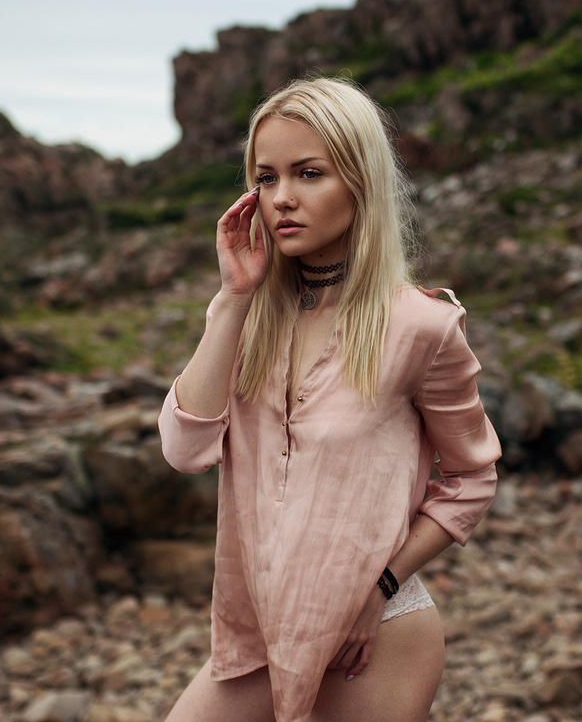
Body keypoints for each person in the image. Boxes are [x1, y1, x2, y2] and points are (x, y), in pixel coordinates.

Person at [158, 77, 501, 722]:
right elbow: (185, 449)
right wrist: (232, 298)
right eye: (266, 178)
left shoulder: (420, 327)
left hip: (373, 640)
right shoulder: (248, 316)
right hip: (259, 635)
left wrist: (381, 588)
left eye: (308, 173)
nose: (281, 198)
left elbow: (471, 478)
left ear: (360, 182)